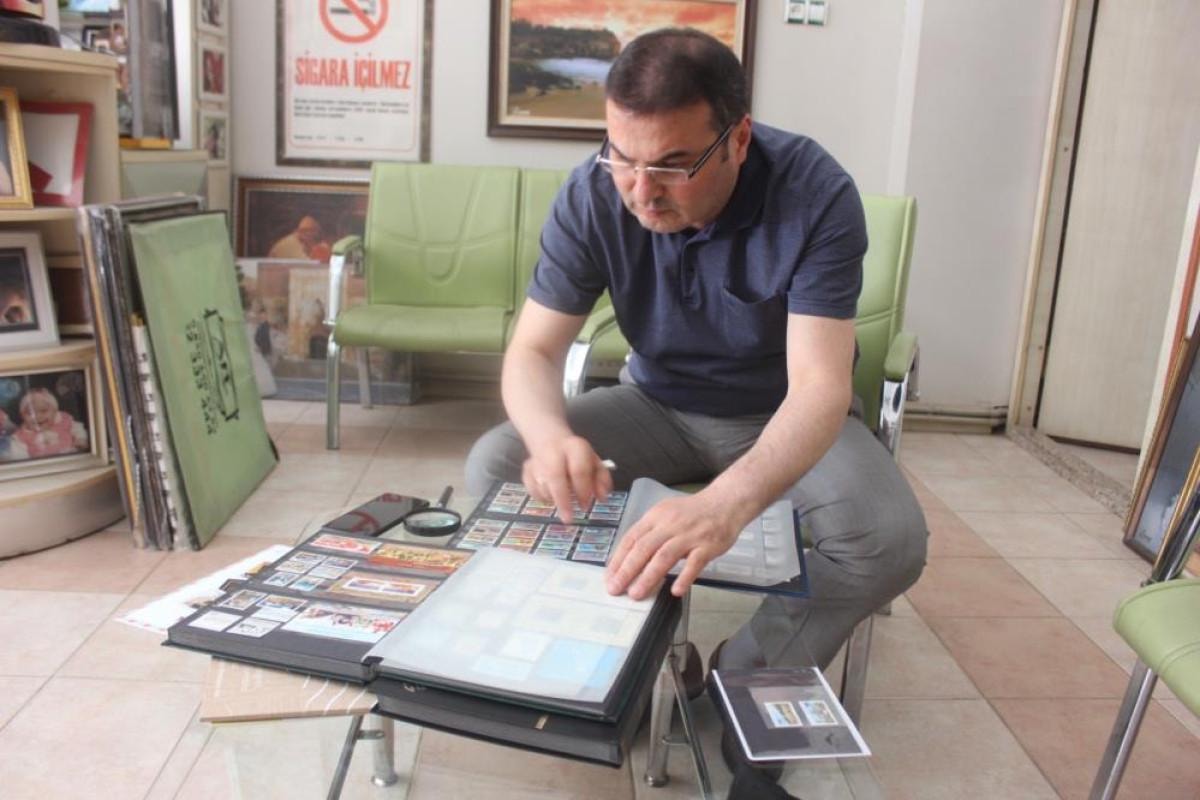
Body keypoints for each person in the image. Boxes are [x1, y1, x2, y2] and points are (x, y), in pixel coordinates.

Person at [465, 28, 927, 795]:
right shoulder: (593, 191)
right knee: (498, 462)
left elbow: (820, 387)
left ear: (737, 139)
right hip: (656, 402)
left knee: (888, 540)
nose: (642, 191)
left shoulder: (815, 193)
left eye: (673, 165)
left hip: (779, 416)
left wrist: (726, 503)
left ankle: (745, 669)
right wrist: (549, 439)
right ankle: (620, 658)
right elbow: (533, 352)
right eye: (622, 157)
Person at [267, 216, 332, 262]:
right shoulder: (290, 244)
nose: (316, 236)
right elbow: (307, 266)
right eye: (306, 230)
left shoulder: (305, 242)